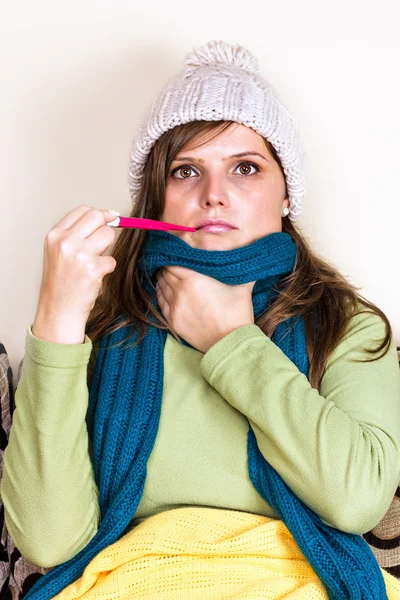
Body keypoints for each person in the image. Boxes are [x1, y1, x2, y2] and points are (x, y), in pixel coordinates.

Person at [2, 40, 400, 600]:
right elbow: (48, 542)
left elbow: (358, 500)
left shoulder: (348, 326)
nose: (214, 196)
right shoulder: (104, 328)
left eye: (245, 168)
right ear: (155, 199)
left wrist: (229, 340)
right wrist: (56, 320)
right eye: (187, 170)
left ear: (287, 192)